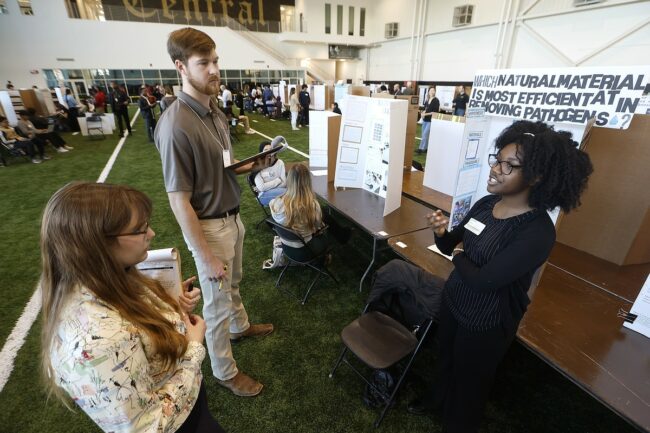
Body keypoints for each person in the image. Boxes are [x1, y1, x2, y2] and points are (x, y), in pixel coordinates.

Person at [407, 120, 593, 433]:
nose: (495, 169)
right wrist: (441, 232)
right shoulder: (486, 204)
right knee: (445, 357)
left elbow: (485, 281)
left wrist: (459, 255)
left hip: (487, 319)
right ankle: (436, 399)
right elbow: (449, 244)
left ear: (536, 176)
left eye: (509, 165)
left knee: (471, 380)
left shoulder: (537, 232)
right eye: (497, 159)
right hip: (455, 300)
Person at [40, 182, 225, 433]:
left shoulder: (107, 277)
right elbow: (148, 427)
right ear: (98, 244)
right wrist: (193, 348)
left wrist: (170, 305)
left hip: (187, 405)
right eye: (140, 229)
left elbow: (135, 325)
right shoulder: (96, 340)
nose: (152, 234)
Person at [155, 27, 274, 398]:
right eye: (203, 63)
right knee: (216, 305)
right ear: (181, 67)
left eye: (216, 61)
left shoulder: (214, 112)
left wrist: (255, 164)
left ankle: (240, 328)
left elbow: (225, 166)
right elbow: (179, 200)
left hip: (233, 218)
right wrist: (205, 256)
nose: (214, 70)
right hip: (209, 227)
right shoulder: (175, 125)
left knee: (233, 286)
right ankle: (224, 372)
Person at [270, 164, 329, 260]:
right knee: (326, 229)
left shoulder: (275, 203)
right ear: (308, 182)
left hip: (286, 247)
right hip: (306, 250)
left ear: (289, 180)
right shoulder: (312, 206)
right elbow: (317, 227)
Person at [254, 140, 286, 205]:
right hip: (263, 195)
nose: (269, 152)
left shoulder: (280, 162)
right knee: (290, 193)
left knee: (293, 191)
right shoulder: (257, 166)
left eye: (271, 150)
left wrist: (266, 187)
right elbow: (262, 187)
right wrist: (278, 180)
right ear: (261, 152)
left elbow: (284, 183)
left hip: (280, 190)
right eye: (265, 150)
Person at [418, 87, 440, 153]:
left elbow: (434, 112)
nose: (432, 91)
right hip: (425, 120)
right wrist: (422, 113)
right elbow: (426, 108)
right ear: (428, 91)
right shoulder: (427, 99)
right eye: (431, 90)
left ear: (435, 92)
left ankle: (421, 149)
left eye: (433, 90)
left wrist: (425, 114)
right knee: (423, 134)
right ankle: (425, 148)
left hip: (430, 120)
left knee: (425, 134)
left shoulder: (436, 100)